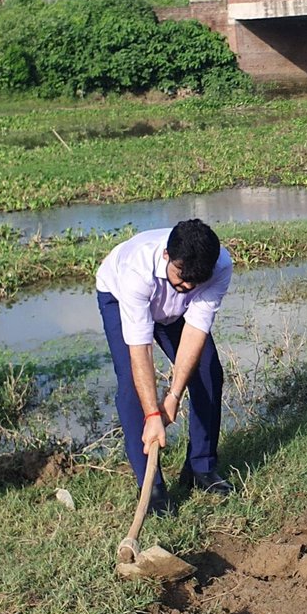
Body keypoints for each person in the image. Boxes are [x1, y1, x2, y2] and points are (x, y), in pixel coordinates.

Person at [96, 219, 233, 512]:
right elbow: (140, 350)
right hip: (119, 297)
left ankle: (201, 467)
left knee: (208, 371)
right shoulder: (137, 270)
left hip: (176, 313)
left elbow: (195, 331)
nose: (186, 287)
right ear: (166, 257)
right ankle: (152, 486)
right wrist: (152, 414)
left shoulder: (220, 265)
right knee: (132, 388)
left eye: (195, 282)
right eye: (181, 278)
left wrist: (172, 397)